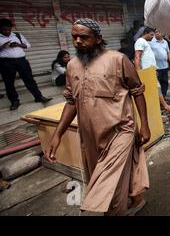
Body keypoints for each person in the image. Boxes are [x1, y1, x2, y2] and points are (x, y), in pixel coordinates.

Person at [44, 18, 150, 216]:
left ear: (98, 38)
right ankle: (137, 198)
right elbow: (71, 102)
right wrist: (57, 135)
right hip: (91, 137)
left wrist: (144, 125)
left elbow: (137, 91)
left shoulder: (118, 60)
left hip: (120, 131)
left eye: (84, 37)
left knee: (110, 187)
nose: (77, 41)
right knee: (104, 176)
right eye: (74, 37)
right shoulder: (72, 66)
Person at [0, 18, 52, 110]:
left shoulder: (17, 35)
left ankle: (38, 97)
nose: (7, 31)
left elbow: (28, 45)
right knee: (9, 83)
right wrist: (4, 45)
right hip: (6, 62)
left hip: (21, 61)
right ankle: (14, 101)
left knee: (29, 79)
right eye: (4, 30)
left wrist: (18, 45)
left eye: (9, 29)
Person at [134, 27, 170, 113]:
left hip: (150, 71)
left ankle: (157, 108)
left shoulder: (145, 42)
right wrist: (139, 73)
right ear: (146, 33)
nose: (152, 37)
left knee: (155, 89)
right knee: (157, 88)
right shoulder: (140, 41)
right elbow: (137, 57)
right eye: (151, 35)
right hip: (146, 72)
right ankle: (165, 106)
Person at [150, 30, 170, 99]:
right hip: (156, 68)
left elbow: (168, 53)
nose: (157, 33)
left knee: (165, 83)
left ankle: (164, 97)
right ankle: (159, 100)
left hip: (165, 66)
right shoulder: (150, 42)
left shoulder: (165, 42)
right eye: (156, 32)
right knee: (157, 85)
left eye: (159, 32)